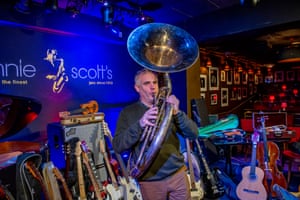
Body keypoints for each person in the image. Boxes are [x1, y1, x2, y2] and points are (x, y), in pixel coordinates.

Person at [112, 69, 199, 200]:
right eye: (147, 83)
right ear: (137, 88)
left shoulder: (168, 108)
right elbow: (118, 145)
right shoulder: (128, 113)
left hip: (178, 175)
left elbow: (194, 133)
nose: (153, 86)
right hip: (150, 181)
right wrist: (140, 124)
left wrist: (177, 113)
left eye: (155, 82)